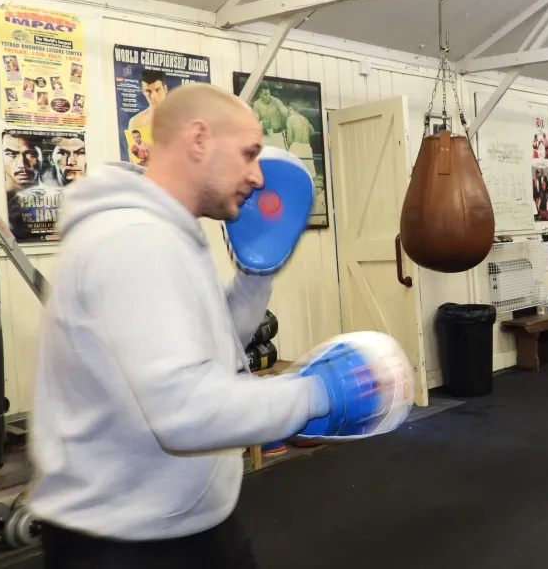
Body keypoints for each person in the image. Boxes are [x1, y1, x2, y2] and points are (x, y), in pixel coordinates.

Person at [27, 83, 384, 568]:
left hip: (186, 519)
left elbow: (219, 347)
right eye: (249, 154)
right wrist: (316, 393)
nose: (258, 176)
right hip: (124, 541)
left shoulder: (170, 235)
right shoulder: (134, 242)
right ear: (198, 139)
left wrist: (258, 274)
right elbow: (184, 411)